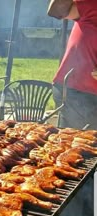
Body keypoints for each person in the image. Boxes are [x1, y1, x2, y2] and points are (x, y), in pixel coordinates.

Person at [47, 0, 97, 130]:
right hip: (76, 90)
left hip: (90, 94)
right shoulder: (92, 5)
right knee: (82, 143)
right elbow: (56, 11)